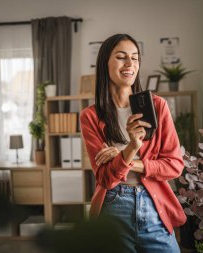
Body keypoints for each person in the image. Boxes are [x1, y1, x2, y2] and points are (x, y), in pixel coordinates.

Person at [80, 34, 186, 253]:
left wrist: (124, 160)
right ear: (105, 63)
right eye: (121, 57)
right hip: (113, 205)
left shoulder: (157, 107)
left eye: (135, 58)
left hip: (153, 203)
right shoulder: (90, 116)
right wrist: (131, 148)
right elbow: (106, 179)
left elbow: (175, 165)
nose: (130, 64)